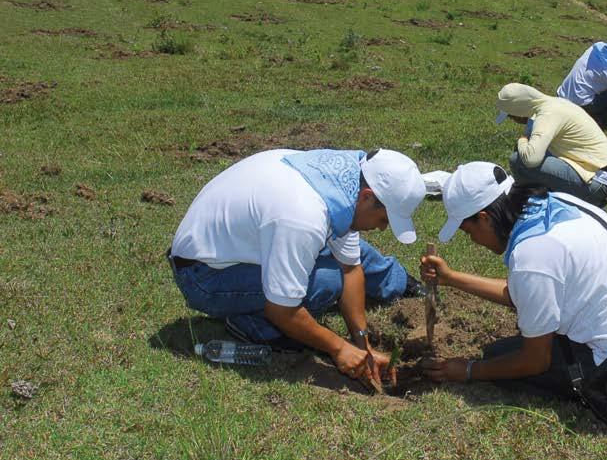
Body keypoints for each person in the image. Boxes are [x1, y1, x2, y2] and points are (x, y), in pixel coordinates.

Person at [420, 162, 607, 418]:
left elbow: (535, 360)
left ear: (484, 218)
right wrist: (450, 278)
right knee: (505, 351)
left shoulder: (533, 255)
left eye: (468, 232)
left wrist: (470, 370)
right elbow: (525, 294)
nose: (473, 241)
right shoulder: (555, 203)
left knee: (497, 358)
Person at [169, 148, 426, 385]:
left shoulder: (341, 184)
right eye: (384, 219)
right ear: (367, 196)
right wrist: (338, 348)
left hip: (240, 241)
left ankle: (399, 283)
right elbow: (282, 309)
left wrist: (362, 344)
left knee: (357, 252)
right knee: (327, 282)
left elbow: (351, 268)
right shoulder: (303, 216)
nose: (382, 228)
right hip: (202, 274)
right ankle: (255, 326)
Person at [496, 83, 607, 207]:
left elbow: (531, 159)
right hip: (604, 173)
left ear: (518, 109)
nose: (513, 120)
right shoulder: (555, 103)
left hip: (597, 183)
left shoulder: (547, 115)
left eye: (511, 116)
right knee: (528, 151)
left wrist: (522, 140)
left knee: (518, 160)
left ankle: (529, 204)